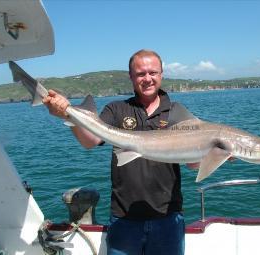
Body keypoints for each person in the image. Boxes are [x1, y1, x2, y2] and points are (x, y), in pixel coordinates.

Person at [43, 49, 198, 255]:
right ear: (131, 77)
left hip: (168, 217)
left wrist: (217, 154)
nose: (147, 78)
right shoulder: (116, 109)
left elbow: (193, 163)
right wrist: (68, 116)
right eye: (141, 74)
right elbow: (91, 141)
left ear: (161, 74)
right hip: (124, 218)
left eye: (153, 72)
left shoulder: (177, 113)